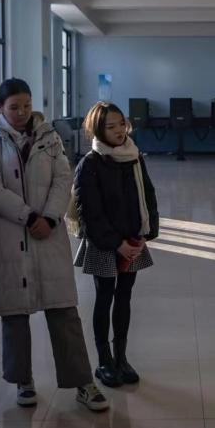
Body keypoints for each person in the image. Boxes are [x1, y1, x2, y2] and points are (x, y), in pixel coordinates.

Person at [0, 79, 109, 412]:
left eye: (26, 105)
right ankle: (23, 379)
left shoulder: (50, 137)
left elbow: (64, 179)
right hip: (10, 235)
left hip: (48, 234)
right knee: (14, 313)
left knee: (63, 310)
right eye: (14, 107)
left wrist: (49, 217)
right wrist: (28, 216)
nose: (22, 112)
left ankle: (82, 382)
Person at [73, 101, 159, 389]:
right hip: (103, 243)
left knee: (125, 296)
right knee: (104, 297)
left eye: (122, 124)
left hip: (133, 239)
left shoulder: (134, 157)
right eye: (111, 126)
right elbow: (90, 213)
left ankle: (121, 357)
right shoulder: (91, 164)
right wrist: (116, 243)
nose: (119, 130)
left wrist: (146, 233)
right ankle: (104, 360)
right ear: (98, 130)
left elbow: (148, 195)